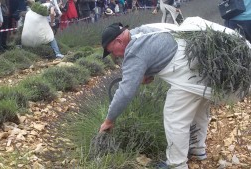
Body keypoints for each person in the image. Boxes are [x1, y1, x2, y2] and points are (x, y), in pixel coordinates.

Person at [98, 22, 249, 169]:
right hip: (201, 66)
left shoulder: (134, 52)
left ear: (118, 40)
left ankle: (176, 164)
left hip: (187, 75)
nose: (116, 56)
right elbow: (157, 50)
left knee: (174, 117)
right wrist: (146, 72)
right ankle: (197, 150)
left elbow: (125, 92)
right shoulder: (145, 30)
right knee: (199, 109)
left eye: (112, 51)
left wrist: (109, 120)